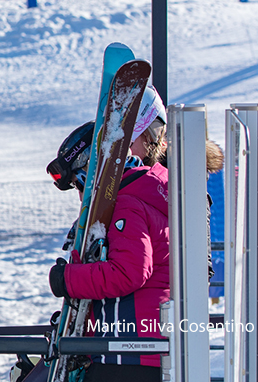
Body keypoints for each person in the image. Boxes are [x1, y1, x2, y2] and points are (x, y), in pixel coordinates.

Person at [46, 87, 168, 382]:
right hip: (140, 344)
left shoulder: (126, 203)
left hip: (131, 350)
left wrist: (68, 280)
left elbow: (129, 273)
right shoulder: (152, 191)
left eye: (79, 184)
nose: (80, 195)